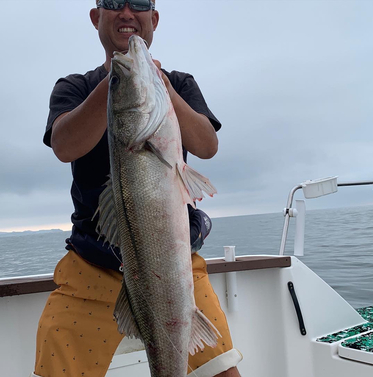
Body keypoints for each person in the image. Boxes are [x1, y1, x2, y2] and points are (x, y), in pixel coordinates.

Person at [32, 1, 242, 376]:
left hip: (177, 266)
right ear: (97, 18)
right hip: (90, 267)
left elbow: (207, 145)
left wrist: (159, 86)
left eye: (140, 4)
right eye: (113, 2)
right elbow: (64, 146)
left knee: (225, 371)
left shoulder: (178, 84)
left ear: (154, 20)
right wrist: (115, 81)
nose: (127, 12)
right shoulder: (75, 87)